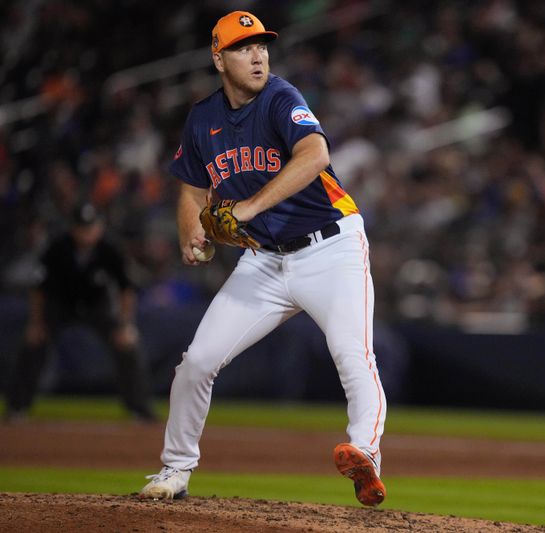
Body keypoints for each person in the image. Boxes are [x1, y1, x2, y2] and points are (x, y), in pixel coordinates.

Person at [138, 11, 387, 506]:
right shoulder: (203, 118)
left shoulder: (280, 97)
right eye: (242, 47)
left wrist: (247, 207)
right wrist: (192, 231)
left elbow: (315, 154)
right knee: (197, 363)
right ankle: (175, 469)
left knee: (353, 356)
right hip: (263, 260)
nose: (257, 56)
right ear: (218, 58)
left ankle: (365, 455)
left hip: (331, 247)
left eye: (262, 46)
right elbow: (191, 187)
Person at [4, 203, 156, 422]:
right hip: (60, 305)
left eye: (90, 227)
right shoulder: (58, 248)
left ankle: (140, 409)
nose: (86, 233)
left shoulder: (109, 249)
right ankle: (17, 407)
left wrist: (125, 325)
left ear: (99, 227)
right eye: (82, 227)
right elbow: (38, 290)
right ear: (73, 228)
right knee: (33, 343)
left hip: (97, 306)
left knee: (128, 345)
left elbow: (126, 290)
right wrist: (35, 323)